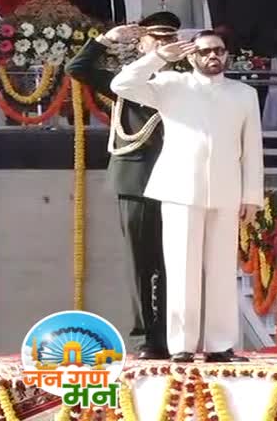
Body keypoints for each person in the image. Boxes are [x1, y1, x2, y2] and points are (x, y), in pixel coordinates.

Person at [111, 30, 264, 363]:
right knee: (181, 269)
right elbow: (121, 85)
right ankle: (180, 344)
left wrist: (252, 195)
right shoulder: (171, 85)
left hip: (226, 190)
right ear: (192, 55)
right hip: (180, 188)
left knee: (222, 271)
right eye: (206, 51)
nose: (214, 56)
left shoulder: (244, 93)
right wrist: (159, 57)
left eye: (220, 51)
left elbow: (252, 148)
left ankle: (219, 345)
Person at [65, 12, 181, 360]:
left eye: (168, 39)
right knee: (141, 263)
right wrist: (106, 39)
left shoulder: (189, 82)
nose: (162, 45)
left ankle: (178, 335)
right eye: (155, 39)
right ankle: (147, 337)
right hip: (138, 178)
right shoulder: (125, 80)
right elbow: (77, 68)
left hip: (181, 179)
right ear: (142, 43)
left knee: (177, 263)